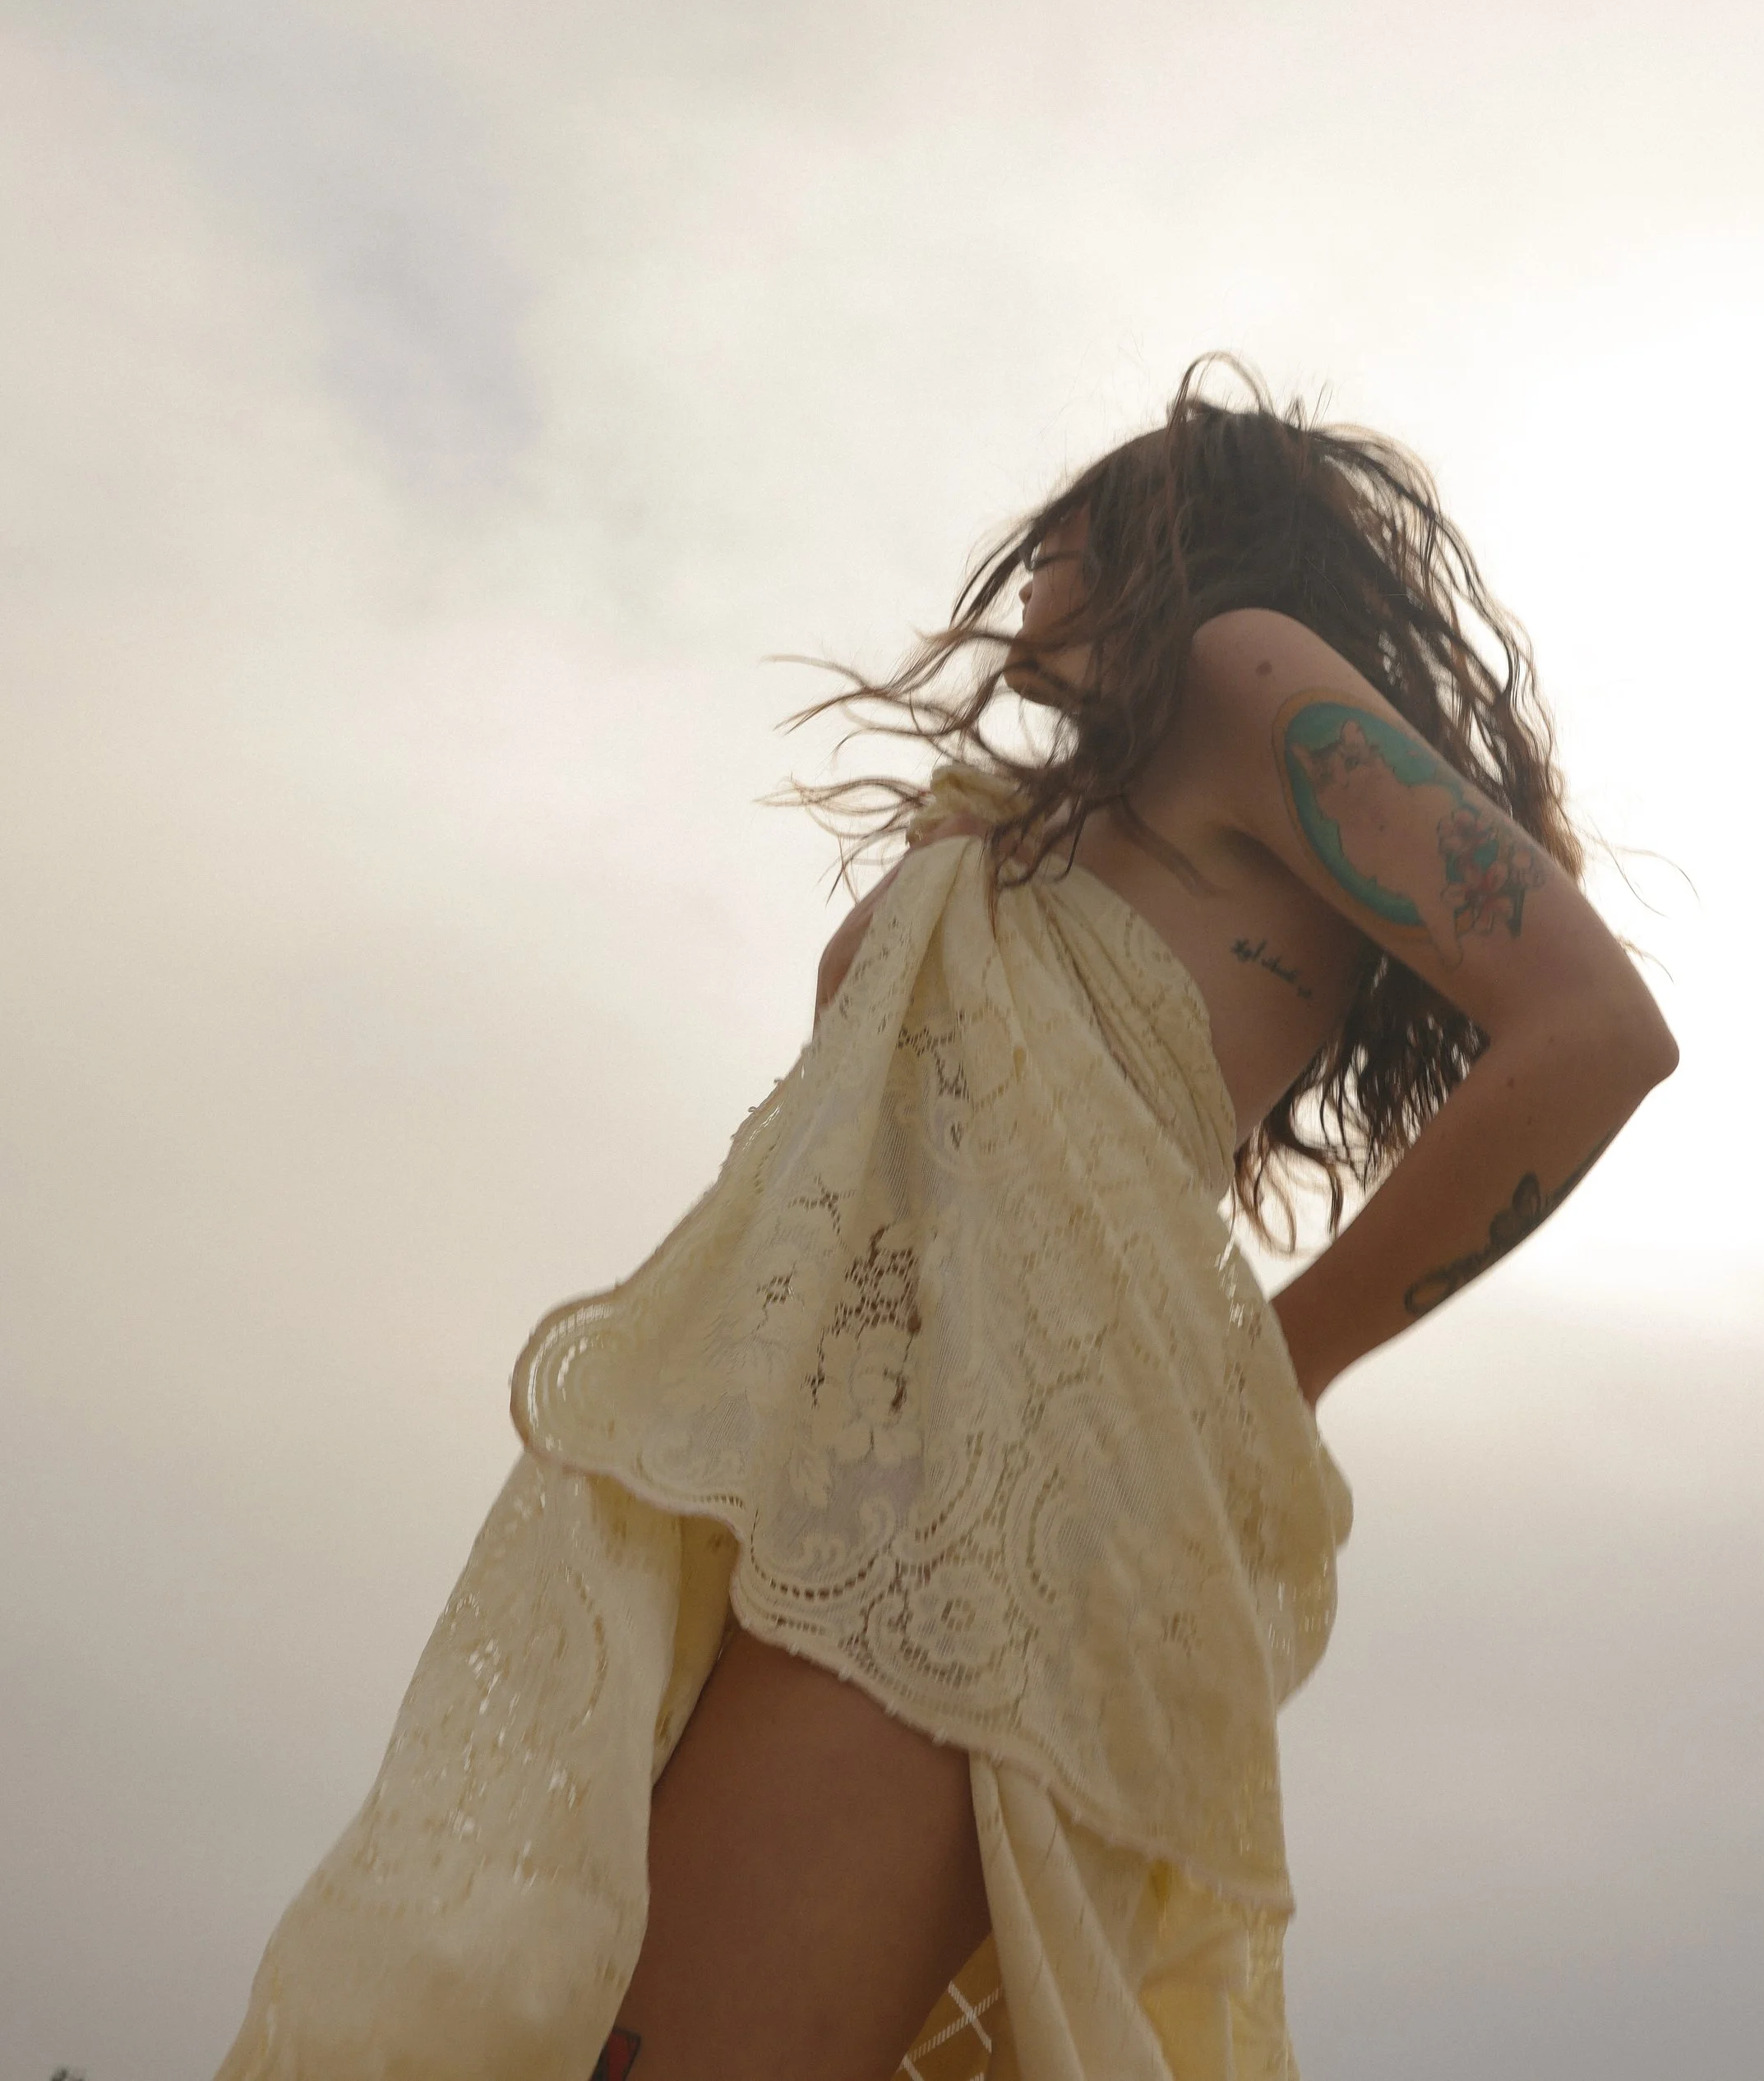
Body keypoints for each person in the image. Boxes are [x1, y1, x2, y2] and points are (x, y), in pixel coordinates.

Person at [215, 365, 1676, 2081]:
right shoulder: (1082, 828)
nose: (1024, 574)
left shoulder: (1242, 666)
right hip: (841, 1502)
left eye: (1060, 534)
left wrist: (1273, 1369)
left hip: (987, 1514)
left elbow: (1593, 1032)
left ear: (1150, 534)